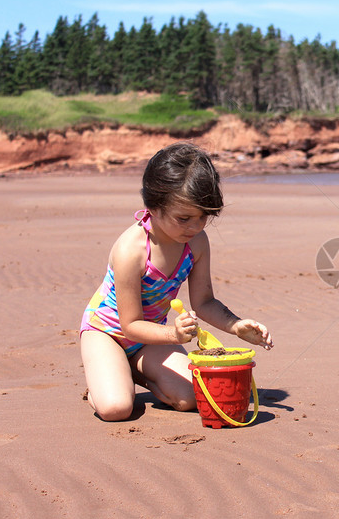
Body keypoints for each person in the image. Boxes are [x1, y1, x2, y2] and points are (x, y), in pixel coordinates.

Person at [79, 142, 273, 421]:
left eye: (203, 217)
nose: (194, 227)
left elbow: (204, 302)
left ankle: (132, 370)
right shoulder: (130, 251)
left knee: (192, 398)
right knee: (116, 409)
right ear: (154, 207)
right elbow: (129, 324)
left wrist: (236, 325)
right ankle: (108, 378)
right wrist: (173, 335)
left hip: (149, 338)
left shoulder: (196, 243)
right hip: (109, 333)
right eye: (184, 218)